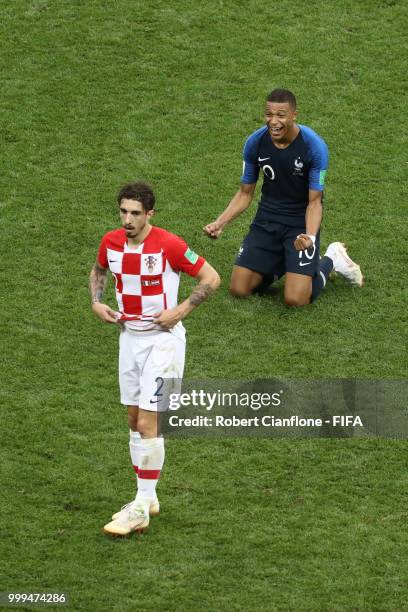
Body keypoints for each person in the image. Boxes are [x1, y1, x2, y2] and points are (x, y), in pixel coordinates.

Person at [90, 181, 220, 536]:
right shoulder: (111, 242)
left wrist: (180, 311)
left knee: (150, 424)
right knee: (134, 420)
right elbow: (99, 270)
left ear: (150, 214)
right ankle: (147, 497)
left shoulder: (169, 245)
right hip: (129, 341)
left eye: (135, 213)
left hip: (164, 343)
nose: (128, 220)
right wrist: (97, 302)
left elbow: (211, 277)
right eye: (123, 212)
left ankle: (140, 506)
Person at [204, 88, 363, 305]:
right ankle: (284, 261)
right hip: (266, 220)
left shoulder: (314, 147)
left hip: (299, 223)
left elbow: (315, 202)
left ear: (294, 115)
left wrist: (310, 237)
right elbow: (245, 192)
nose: (273, 121)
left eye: (281, 115)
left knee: (295, 299)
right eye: (269, 114)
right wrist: (220, 222)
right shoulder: (255, 143)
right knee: (239, 289)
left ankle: (331, 259)